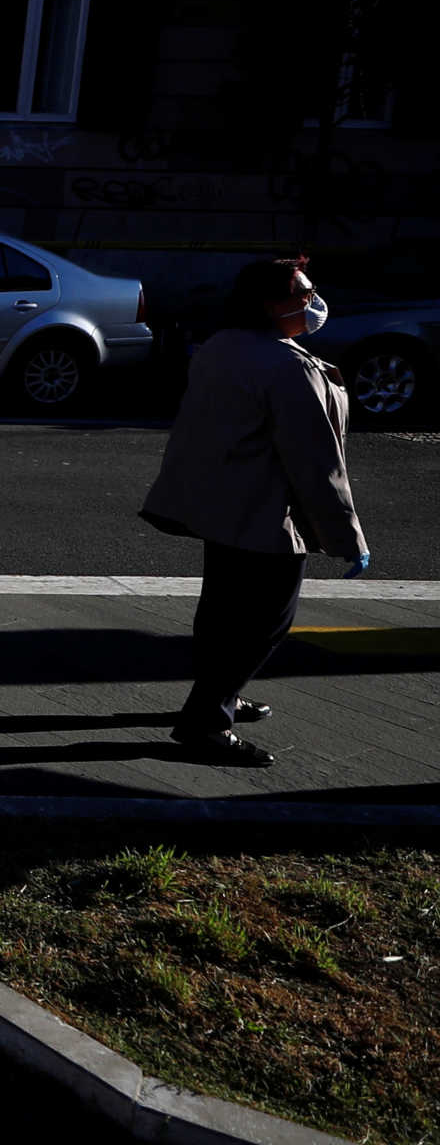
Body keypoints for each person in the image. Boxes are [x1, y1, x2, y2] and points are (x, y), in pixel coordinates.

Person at [140, 256, 369, 768]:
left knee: (221, 613)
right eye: (302, 294)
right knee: (264, 624)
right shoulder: (290, 368)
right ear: (271, 305)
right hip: (267, 516)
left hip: (218, 507)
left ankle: (224, 695)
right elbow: (317, 466)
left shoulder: (222, 347)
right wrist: (348, 538)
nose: (312, 303)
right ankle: (205, 723)